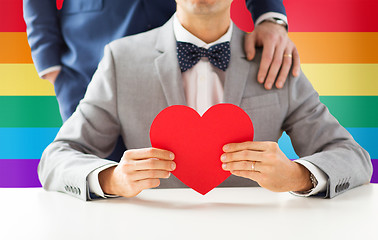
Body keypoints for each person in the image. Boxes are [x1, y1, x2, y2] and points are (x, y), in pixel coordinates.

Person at [39, 0, 372, 201]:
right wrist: (111, 179)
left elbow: (354, 158)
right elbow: (55, 159)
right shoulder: (120, 61)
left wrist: (297, 175)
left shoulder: (274, 61)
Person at [23, 0, 300, 122]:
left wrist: (270, 17)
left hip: (188, 42)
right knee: (97, 178)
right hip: (86, 58)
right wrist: (50, 63)